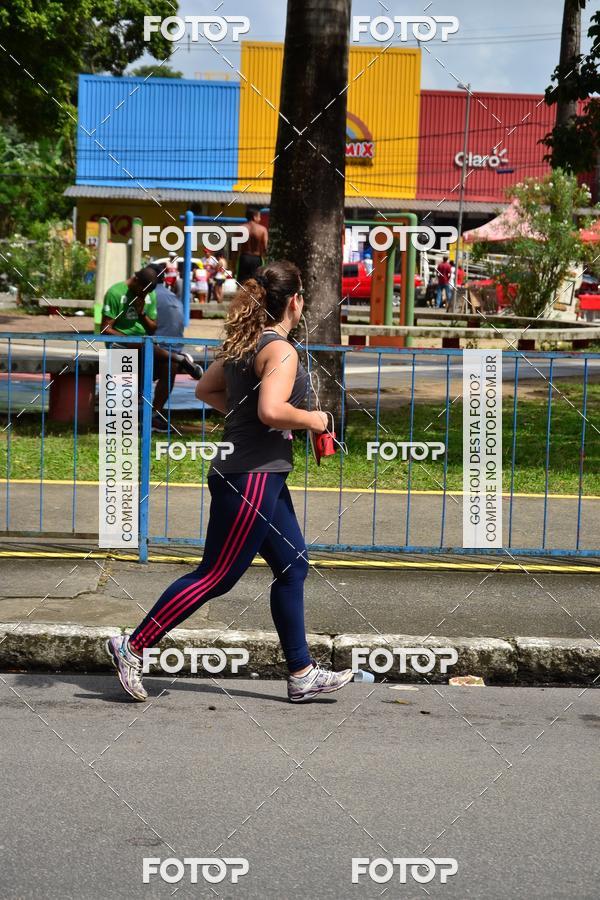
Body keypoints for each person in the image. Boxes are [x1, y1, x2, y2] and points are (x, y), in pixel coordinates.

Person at [106, 261, 354, 703]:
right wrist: (316, 419)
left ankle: (301, 673)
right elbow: (271, 411)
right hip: (250, 477)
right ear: (295, 300)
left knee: (293, 566)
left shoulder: (247, 342)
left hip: (259, 475)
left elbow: (206, 391)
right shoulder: (280, 350)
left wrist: (247, 420)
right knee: (216, 576)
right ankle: (133, 647)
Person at [151, 277, 203, 432]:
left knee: (142, 348)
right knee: (170, 364)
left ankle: (149, 414)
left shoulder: (149, 296)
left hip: (156, 350)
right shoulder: (173, 298)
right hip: (172, 350)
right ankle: (155, 413)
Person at [237, 207, 268, 283]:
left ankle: (242, 295)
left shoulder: (240, 228)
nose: (260, 219)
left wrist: (234, 264)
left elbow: (235, 248)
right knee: (256, 282)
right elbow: (265, 247)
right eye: (259, 217)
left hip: (244, 258)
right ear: (254, 217)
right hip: (256, 259)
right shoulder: (262, 229)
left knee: (242, 283)